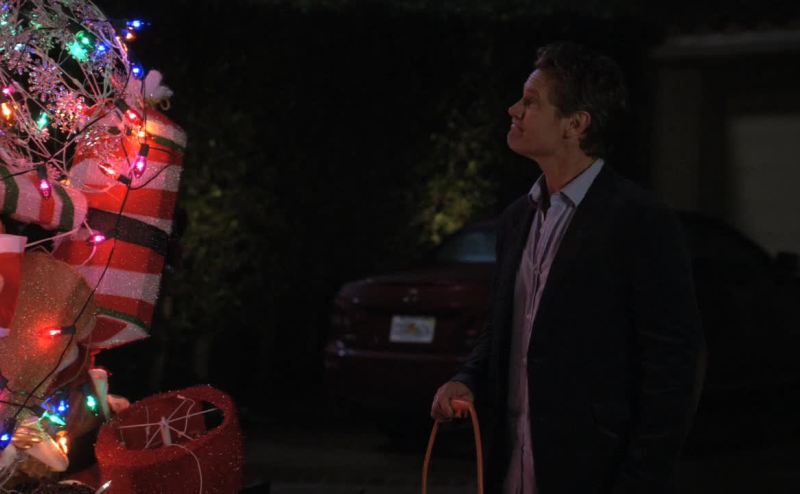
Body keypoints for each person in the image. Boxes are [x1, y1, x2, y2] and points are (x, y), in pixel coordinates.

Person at [430, 42, 705, 494]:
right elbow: (505, 329)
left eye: (531, 102)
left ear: (575, 124)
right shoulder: (517, 218)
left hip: (593, 473)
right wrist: (467, 379)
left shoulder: (638, 219)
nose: (513, 110)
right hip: (512, 471)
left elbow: (672, 365)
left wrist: (639, 479)